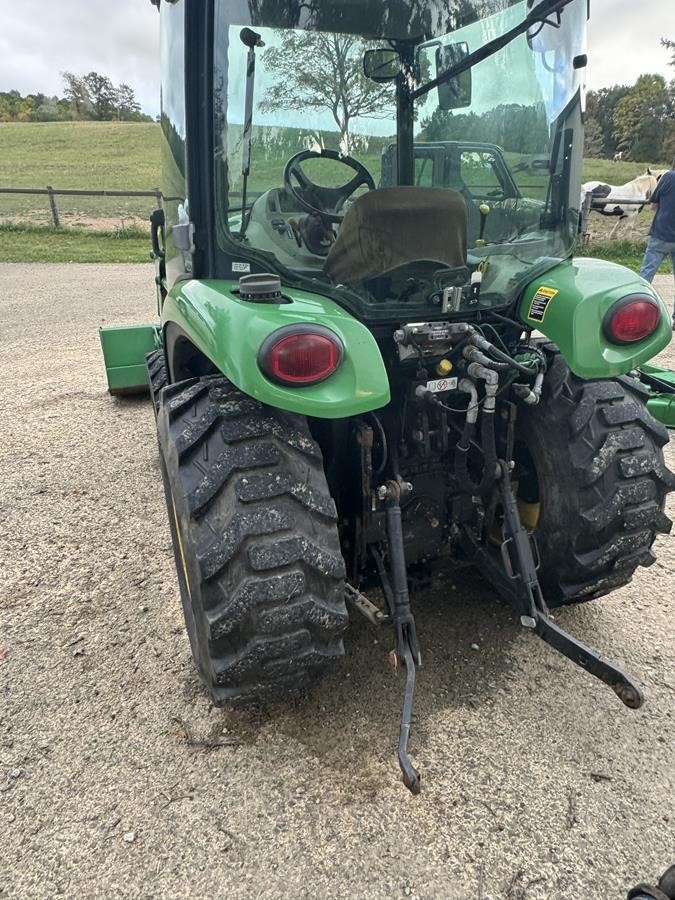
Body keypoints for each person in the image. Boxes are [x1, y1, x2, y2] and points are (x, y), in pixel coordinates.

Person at [639, 162, 675, 325]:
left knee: (646, 276)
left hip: (661, 234)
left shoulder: (668, 177)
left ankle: (638, 310)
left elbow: (654, 205)